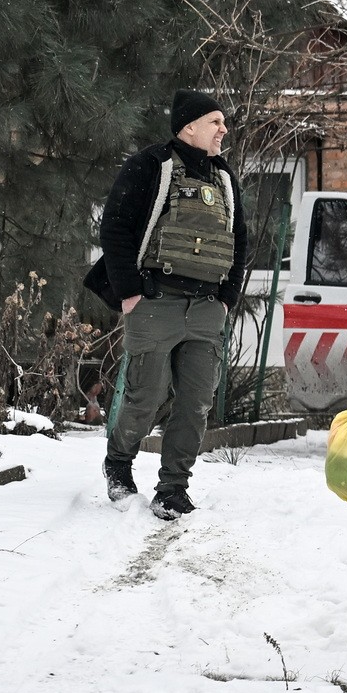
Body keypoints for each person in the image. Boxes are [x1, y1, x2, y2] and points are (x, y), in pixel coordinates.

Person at [88, 89, 250, 521]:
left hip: (206, 307)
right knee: (145, 397)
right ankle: (118, 462)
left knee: (196, 403)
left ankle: (173, 487)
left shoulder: (224, 178)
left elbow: (240, 239)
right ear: (189, 126)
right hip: (155, 301)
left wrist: (227, 297)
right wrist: (129, 291)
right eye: (215, 121)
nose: (224, 130)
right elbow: (115, 226)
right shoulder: (150, 165)